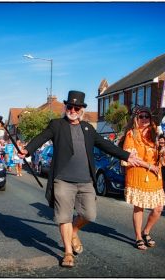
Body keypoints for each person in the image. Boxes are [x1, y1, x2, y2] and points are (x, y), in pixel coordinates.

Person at [19, 90, 139, 267]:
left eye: (76, 108)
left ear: (81, 110)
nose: (73, 110)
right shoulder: (57, 125)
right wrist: (27, 149)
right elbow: (41, 137)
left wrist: (126, 156)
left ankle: (74, 231)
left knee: (89, 214)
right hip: (62, 180)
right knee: (64, 217)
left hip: (85, 180)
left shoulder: (88, 129)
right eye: (70, 106)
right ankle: (68, 252)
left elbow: (106, 145)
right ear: (66, 107)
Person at [120, 106, 165, 250]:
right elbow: (130, 157)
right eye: (141, 116)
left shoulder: (155, 134)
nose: (145, 119)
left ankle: (146, 231)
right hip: (138, 174)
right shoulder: (131, 134)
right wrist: (149, 166)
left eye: (147, 116)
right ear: (136, 119)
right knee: (138, 207)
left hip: (155, 176)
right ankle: (138, 237)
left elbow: (162, 159)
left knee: (159, 208)